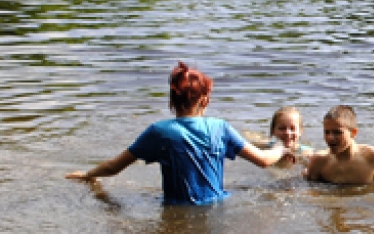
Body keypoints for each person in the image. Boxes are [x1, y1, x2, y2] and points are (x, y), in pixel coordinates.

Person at [66, 62, 293, 205]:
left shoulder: (159, 132)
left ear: (172, 101)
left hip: (175, 208)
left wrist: (87, 175)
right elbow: (264, 161)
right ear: (205, 100)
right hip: (216, 209)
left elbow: (113, 167)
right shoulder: (220, 128)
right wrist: (280, 146)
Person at [304, 105, 374, 185]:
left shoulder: (372, 157)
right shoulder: (319, 161)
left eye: (337, 132)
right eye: (327, 132)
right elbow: (310, 189)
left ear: (353, 133)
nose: (330, 137)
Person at [244, 106, 315, 167]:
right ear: (273, 131)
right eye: (282, 128)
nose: (287, 133)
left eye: (292, 128)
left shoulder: (305, 152)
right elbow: (246, 145)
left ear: (301, 131)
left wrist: (300, 158)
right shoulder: (269, 146)